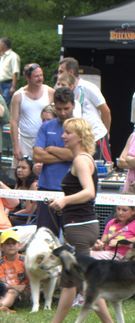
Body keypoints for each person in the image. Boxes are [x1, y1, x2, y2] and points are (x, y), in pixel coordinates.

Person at [33, 118, 120, 323]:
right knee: (70, 281)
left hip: (81, 228)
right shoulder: (80, 159)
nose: (63, 136)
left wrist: (64, 201)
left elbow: (89, 192)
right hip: (80, 227)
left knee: (83, 282)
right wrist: (63, 199)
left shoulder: (81, 160)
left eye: (68, 133)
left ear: (79, 137)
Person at [33, 86, 75, 235]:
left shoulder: (81, 127)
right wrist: (66, 154)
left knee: (74, 240)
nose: (63, 113)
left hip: (72, 192)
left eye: (66, 108)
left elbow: (78, 154)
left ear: (73, 105)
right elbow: (37, 155)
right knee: (45, 237)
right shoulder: (46, 126)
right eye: (59, 109)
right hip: (47, 189)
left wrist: (50, 148)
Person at [57, 57, 112, 161]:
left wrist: (106, 133)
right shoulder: (63, 90)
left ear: (71, 72)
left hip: (96, 137)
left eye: (61, 71)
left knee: (102, 171)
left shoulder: (88, 87)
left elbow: (106, 111)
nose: (59, 75)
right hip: (80, 141)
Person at [10, 63, 54, 162]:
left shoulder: (50, 92)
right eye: (36, 76)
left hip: (44, 140)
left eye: (41, 75)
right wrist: (16, 146)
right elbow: (13, 122)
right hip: (24, 140)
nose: (40, 78)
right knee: (21, 173)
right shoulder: (18, 95)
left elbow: (56, 118)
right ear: (27, 77)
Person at [0, 229, 28, 313]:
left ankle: (3, 306)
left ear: (19, 245)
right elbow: (4, 283)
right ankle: (4, 307)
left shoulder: (25, 261)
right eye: (7, 244)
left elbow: (24, 287)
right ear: (1, 247)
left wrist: (16, 288)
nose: (11, 246)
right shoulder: (1, 263)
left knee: (12, 292)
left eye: (14, 243)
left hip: (23, 293)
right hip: (6, 290)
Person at [9, 156, 38, 225]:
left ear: (31, 170)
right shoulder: (18, 184)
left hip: (26, 219)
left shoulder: (34, 185)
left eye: (23, 168)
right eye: (18, 167)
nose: (19, 170)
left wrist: (11, 216)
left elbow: (28, 210)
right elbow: (11, 204)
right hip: (15, 215)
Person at [0, 38, 20, 105]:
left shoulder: (13, 56)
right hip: (1, 84)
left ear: (4, 45)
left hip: (8, 85)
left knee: (4, 105)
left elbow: (15, 72)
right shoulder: (2, 56)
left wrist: (13, 87)